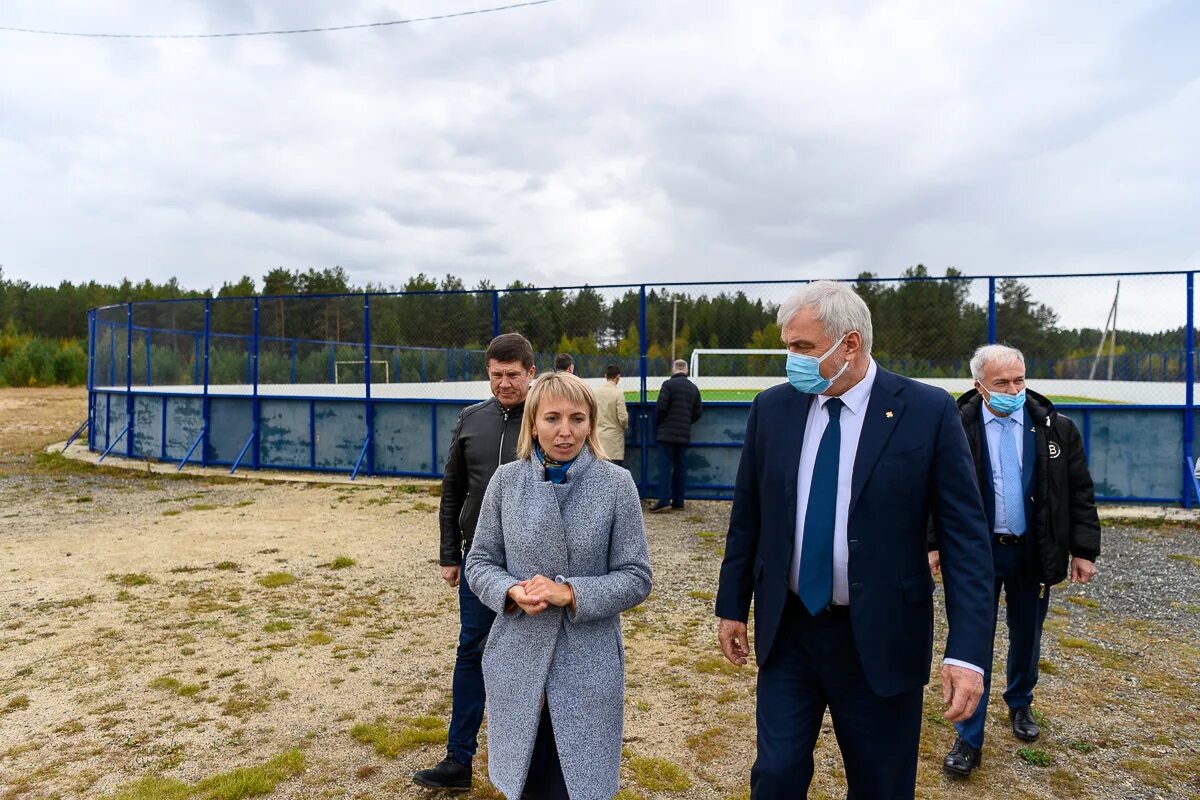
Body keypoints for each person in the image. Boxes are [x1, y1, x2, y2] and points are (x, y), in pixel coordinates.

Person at [713, 281, 995, 799]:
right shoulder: (772, 410)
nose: (791, 360)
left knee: (881, 785)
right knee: (774, 776)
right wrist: (732, 605)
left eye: (803, 348)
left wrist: (968, 652)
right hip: (791, 630)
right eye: (788, 346)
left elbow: (966, 540)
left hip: (881, 638)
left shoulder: (926, 412)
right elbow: (749, 515)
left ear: (850, 344)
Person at [465, 371, 652, 800]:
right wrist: (510, 591)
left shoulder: (615, 485)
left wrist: (570, 593)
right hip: (518, 657)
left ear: (591, 423)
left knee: (575, 786)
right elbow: (479, 562)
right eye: (552, 418)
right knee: (528, 780)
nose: (565, 431)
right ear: (533, 423)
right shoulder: (505, 483)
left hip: (587, 661)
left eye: (577, 418)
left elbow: (636, 576)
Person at [933, 344, 1100, 777]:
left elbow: (1078, 491)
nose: (1013, 389)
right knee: (973, 640)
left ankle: (1020, 702)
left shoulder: (1054, 429)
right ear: (979, 385)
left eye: (1019, 380)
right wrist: (933, 543)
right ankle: (969, 738)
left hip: (1032, 551)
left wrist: (1084, 549)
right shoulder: (954, 428)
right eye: (1002, 383)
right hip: (975, 554)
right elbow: (932, 491)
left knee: (1027, 634)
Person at [413, 333, 536, 791]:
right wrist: (450, 554)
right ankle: (458, 760)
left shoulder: (544, 420)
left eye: (512, 375)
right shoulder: (471, 420)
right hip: (479, 564)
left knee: (532, 663)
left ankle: (529, 766)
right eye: (496, 375)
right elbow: (453, 492)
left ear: (530, 373)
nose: (504, 384)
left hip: (532, 562)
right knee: (472, 654)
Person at [650, 359, 702, 513]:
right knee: (680, 468)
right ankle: (679, 502)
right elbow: (698, 412)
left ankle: (664, 500)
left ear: (673, 370)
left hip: (666, 434)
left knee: (665, 467)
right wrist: (686, 421)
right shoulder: (693, 388)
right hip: (683, 434)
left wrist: (659, 424)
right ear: (686, 371)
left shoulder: (668, 385)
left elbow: (660, 408)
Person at [595, 364, 630, 467]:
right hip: (613, 440)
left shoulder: (596, 392)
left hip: (599, 438)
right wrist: (624, 426)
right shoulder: (618, 393)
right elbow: (623, 418)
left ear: (605, 376)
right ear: (618, 376)